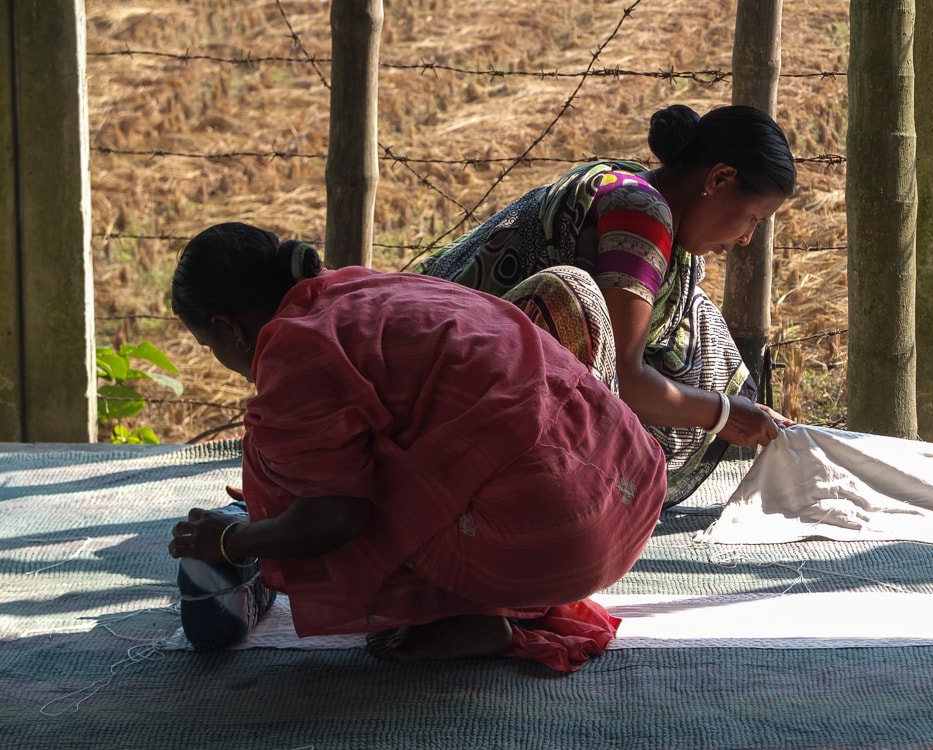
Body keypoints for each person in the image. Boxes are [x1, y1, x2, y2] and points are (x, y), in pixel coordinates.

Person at [167, 221, 668, 672]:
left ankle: (473, 614)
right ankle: (500, 598)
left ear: (228, 330)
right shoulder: (356, 287)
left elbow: (339, 518)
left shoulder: (294, 350)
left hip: (552, 540)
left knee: (315, 481)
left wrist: (233, 541)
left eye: (211, 348)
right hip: (632, 494)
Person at [414, 103, 797, 503]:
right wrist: (723, 413)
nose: (746, 239)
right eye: (753, 217)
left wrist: (736, 409)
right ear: (720, 178)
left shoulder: (638, 194)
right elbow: (622, 380)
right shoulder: (639, 211)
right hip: (442, 385)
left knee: (698, 317)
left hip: (453, 365)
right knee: (574, 296)